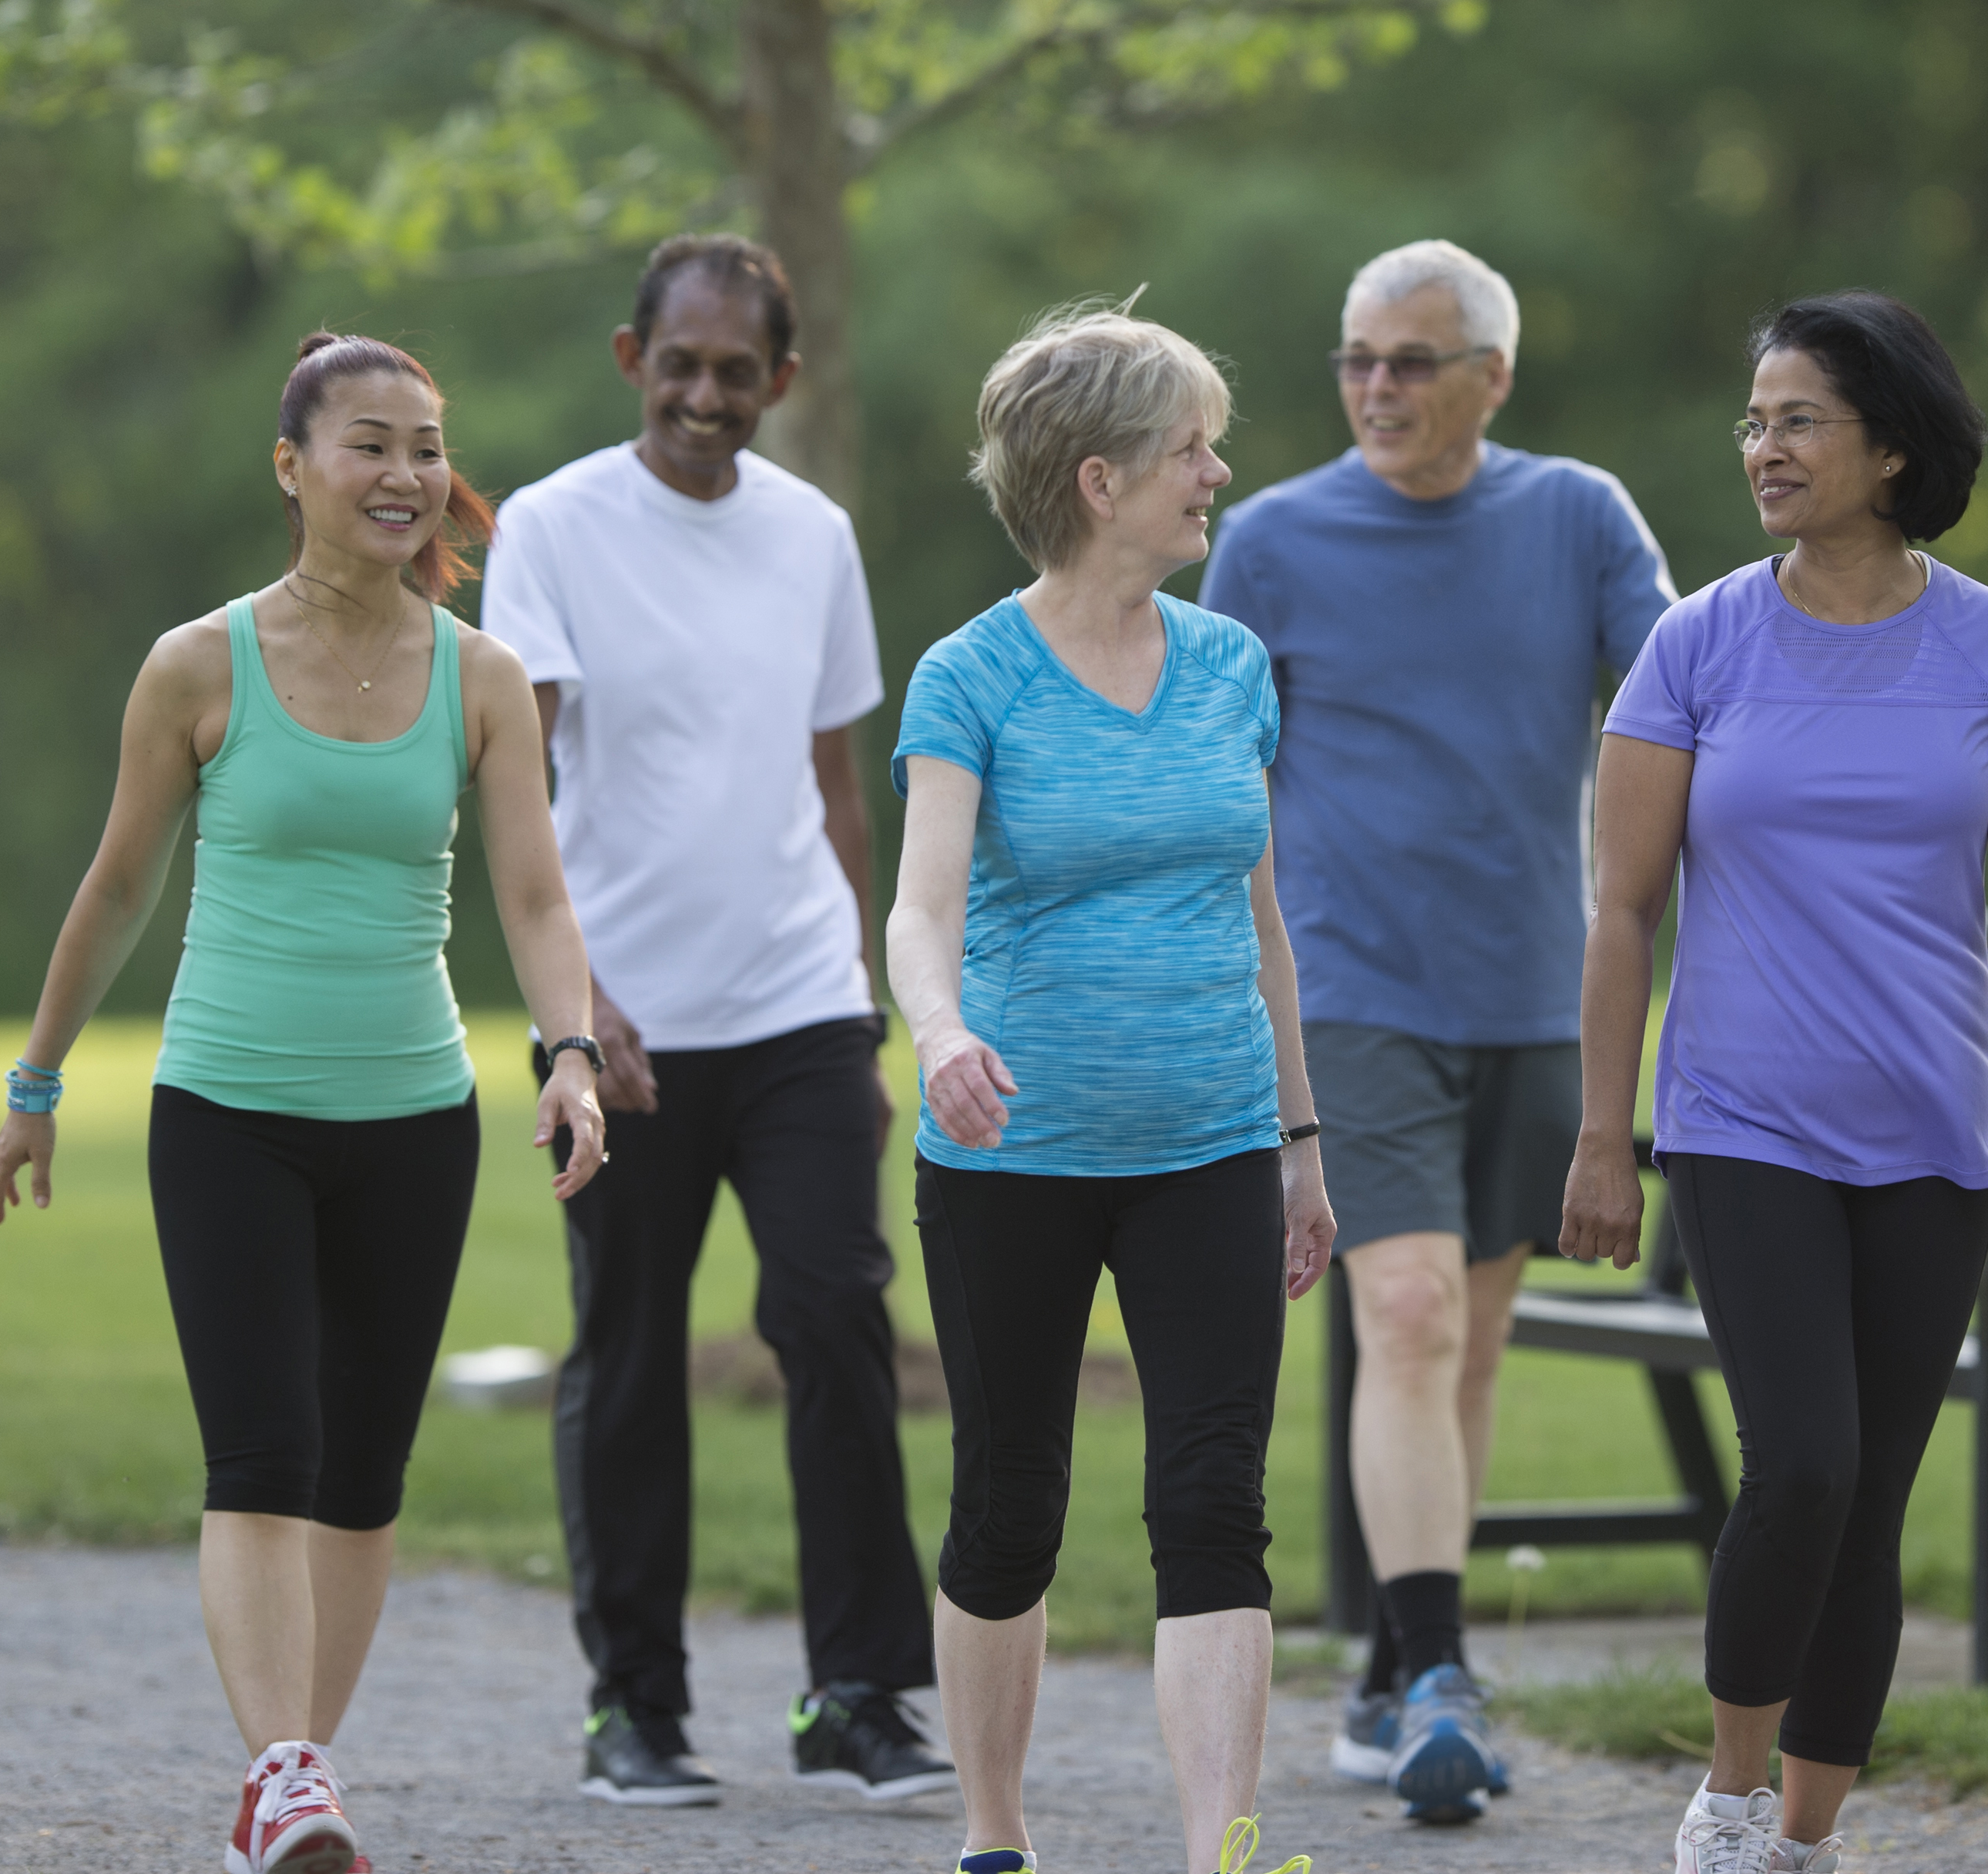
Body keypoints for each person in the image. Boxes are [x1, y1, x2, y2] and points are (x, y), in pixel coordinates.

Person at [0, 332, 632, 1874]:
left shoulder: (478, 678)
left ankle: (292, 1780)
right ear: (292, 467)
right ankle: (283, 1774)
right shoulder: (198, 663)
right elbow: (120, 884)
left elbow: (534, 896)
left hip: (410, 1120)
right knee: (262, 1453)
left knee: (361, 1478)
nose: (403, 473)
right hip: (229, 1112)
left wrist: (573, 1053)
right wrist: (35, 1080)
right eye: (367, 444)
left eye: (424, 446)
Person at [1556, 291, 1988, 1874]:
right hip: (1743, 1123)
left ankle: (1800, 1838)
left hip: (1932, 1134)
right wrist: (1605, 1129)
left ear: (1891, 448)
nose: (1760, 446)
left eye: (1794, 419)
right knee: (1801, 1461)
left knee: (1869, 1504)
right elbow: (1620, 906)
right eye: (1753, 419)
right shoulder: (1696, 640)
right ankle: (1721, 1805)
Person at [1197, 237, 1676, 1822]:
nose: (1375, 389)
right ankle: (1441, 1677)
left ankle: (1392, 1663)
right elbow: (1215, 780)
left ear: (1492, 374)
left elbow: (1678, 699)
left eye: (1409, 360)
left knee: (1459, 1343)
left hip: (1534, 996)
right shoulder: (1266, 542)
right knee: (1401, 1315)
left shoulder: (1574, 517)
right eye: (1353, 360)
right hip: (1347, 988)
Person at [479, 232, 950, 1809]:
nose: (701, 393)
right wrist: (577, 1009)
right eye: (675, 363)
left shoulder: (812, 535)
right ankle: (635, 1704)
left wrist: (873, 1001)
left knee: (833, 1320)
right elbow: (516, 792)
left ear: (780, 383)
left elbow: (837, 790)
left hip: (800, 1003)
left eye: (732, 370)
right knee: (624, 1352)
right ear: (632, 361)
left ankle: (860, 1692)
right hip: (621, 1028)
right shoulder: (549, 527)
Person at [886, 297, 1336, 1874]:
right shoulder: (970, 676)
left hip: (1210, 1140)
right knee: (1011, 1502)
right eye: (1190, 446)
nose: (1215, 470)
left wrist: (1297, 1137)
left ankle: (1220, 1846)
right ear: (1098, 476)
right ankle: (994, 1835)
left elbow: (1261, 915)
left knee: (1212, 1497)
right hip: (1014, 1152)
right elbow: (919, 904)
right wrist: (939, 1033)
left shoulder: (1228, 665)